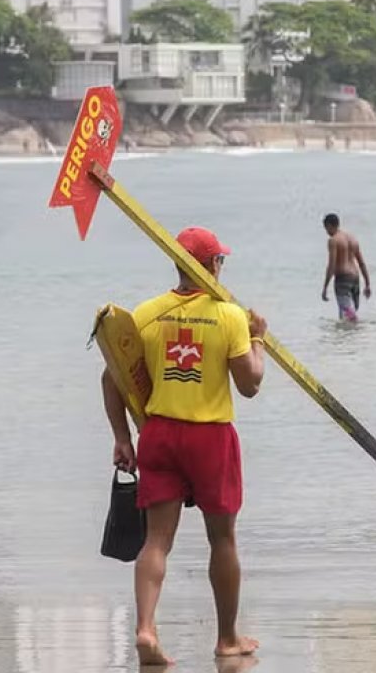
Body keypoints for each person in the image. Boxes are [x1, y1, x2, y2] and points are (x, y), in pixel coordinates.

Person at [101, 227, 267, 667]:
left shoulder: (146, 314)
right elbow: (249, 385)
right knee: (223, 538)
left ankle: (146, 629)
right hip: (210, 437)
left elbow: (110, 377)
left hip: (159, 434)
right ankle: (227, 639)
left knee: (156, 539)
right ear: (211, 266)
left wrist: (121, 436)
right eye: (220, 261)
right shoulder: (229, 315)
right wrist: (258, 339)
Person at [321, 213, 371, 321]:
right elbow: (362, 263)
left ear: (329, 225)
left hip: (343, 278)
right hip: (355, 278)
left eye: (326, 228)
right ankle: (351, 337)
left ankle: (352, 333)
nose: (327, 232)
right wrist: (367, 284)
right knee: (350, 312)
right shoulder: (352, 239)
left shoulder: (333, 240)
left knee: (347, 316)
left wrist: (325, 287)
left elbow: (331, 265)